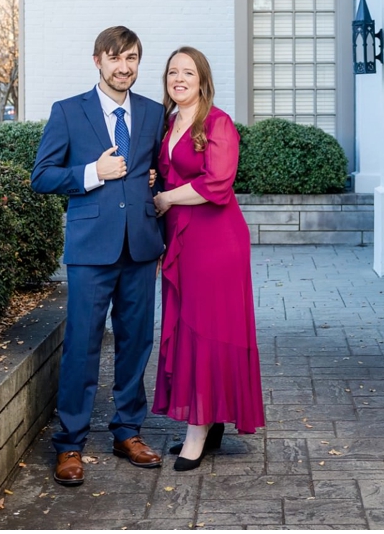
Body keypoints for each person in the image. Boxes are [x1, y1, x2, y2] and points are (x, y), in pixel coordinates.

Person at [31, 26, 167, 487]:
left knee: (136, 344)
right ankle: (70, 442)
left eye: (131, 58)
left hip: (141, 247)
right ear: (97, 61)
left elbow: (162, 170)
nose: (124, 67)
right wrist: (93, 171)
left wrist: (155, 185)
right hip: (91, 251)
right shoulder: (69, 112)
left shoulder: (152, 113)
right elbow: (42, 176)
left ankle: (127, 431)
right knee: (83, 346)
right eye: (115, 58)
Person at [151, 46, 266, 470]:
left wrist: (163, 197)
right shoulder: (168, 123)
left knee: (206, 328)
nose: (178, 78)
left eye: (188, 72)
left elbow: (217, 183)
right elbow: (168, 169)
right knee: (185, 327)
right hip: (182, 239)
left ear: (202, 80)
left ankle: (197, 429)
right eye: (172, 73)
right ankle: (210, 417)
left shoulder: (217, 123)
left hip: (216, 240)